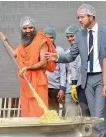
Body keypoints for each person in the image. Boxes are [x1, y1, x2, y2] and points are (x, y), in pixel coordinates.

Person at [45, 4, 106, 137]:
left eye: (82, 17)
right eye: (78, 17)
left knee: (99, 113)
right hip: (87, 80)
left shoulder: (104, 31)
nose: (79, 20)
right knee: (93, 115)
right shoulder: (79, 35)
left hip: (101, 77)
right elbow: (71, 56)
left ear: (91, 16)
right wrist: (57, 57)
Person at [0, 17, 57, 117]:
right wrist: (3, 39)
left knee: (39, 112)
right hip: (26, 83)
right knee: (27, 113)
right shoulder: (23, 45)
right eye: (25, 28)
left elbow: (43, 63)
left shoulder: (42, 41)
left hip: (38, 82)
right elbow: (14, 54)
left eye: (30, 28)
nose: (28, 31)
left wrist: (28, 67)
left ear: (34, 28)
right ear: (21, 29)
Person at [64, 24, 90, 117]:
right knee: (71, 117)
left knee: (86, 115)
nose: (70, 39)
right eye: (68, 37)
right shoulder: (67, 52)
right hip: (70, 89)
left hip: (83, 87)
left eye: (72, 36)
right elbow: (65, 72)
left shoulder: (86, 50)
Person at [43, 27, 66, 114]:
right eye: (47, 37)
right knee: (41, 113)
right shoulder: (40, 50)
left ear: (54, 38)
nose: (49, 40)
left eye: (51, 37)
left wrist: (62, 88)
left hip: (54, 88)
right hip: (42, 87)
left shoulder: (59, 51)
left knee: (53, 114)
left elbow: (63, 71)